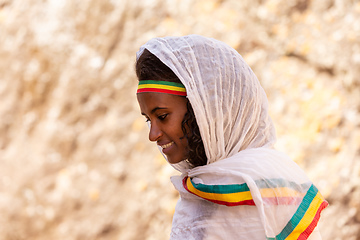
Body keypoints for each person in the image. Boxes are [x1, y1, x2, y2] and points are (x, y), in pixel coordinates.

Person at [135, 35, 327, 240]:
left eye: (162, 116)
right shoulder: (279, 176)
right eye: (149, 120)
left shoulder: (205, 207)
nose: (152, 134)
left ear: (203, 111)